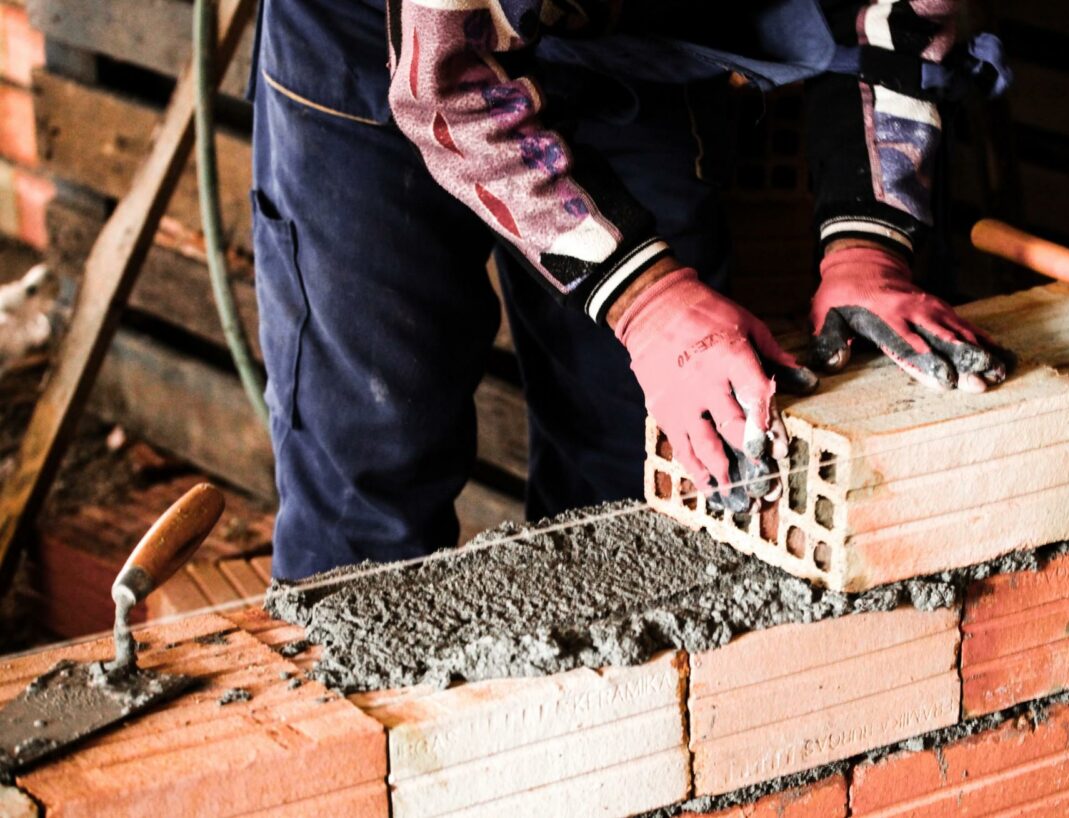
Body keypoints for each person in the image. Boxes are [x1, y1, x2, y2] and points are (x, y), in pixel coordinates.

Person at [249, 0, 1010, 579]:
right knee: (369, 459)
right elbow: (445, 84)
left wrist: (869, 245)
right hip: (382, 38)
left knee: (642, 486)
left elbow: (909, 19)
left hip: (639, 49)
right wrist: (646, 298)